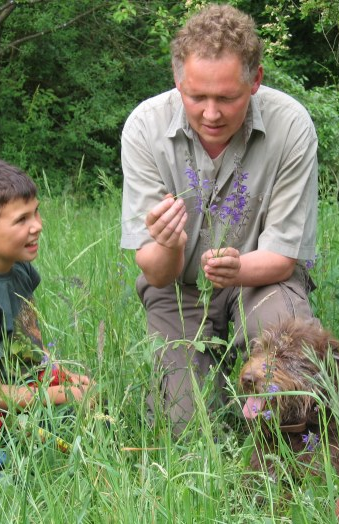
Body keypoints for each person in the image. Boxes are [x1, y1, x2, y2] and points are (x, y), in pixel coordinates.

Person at [120, 4, 318, 432]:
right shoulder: (144, 128)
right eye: (197, 97)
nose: (211, 113)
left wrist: (237, 268)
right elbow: (155, 274)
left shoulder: (291, 125)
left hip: (262, 280)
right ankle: (212, 377)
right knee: (187, 429)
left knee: (290, 391)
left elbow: (284, 257)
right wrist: (170, 242)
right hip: (179, 288)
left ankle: (302, 435)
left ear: (255, 81)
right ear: (178, 81)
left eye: (227, 98)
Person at [0, 158, 92, 437]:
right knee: (52, 430)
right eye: (22, 219)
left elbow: (29, 335)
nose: (37, 226)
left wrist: (62, 375)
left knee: (92, 400)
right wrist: (60, 394)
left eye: (36, 213)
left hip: (23, 375)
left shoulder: (17, 264)